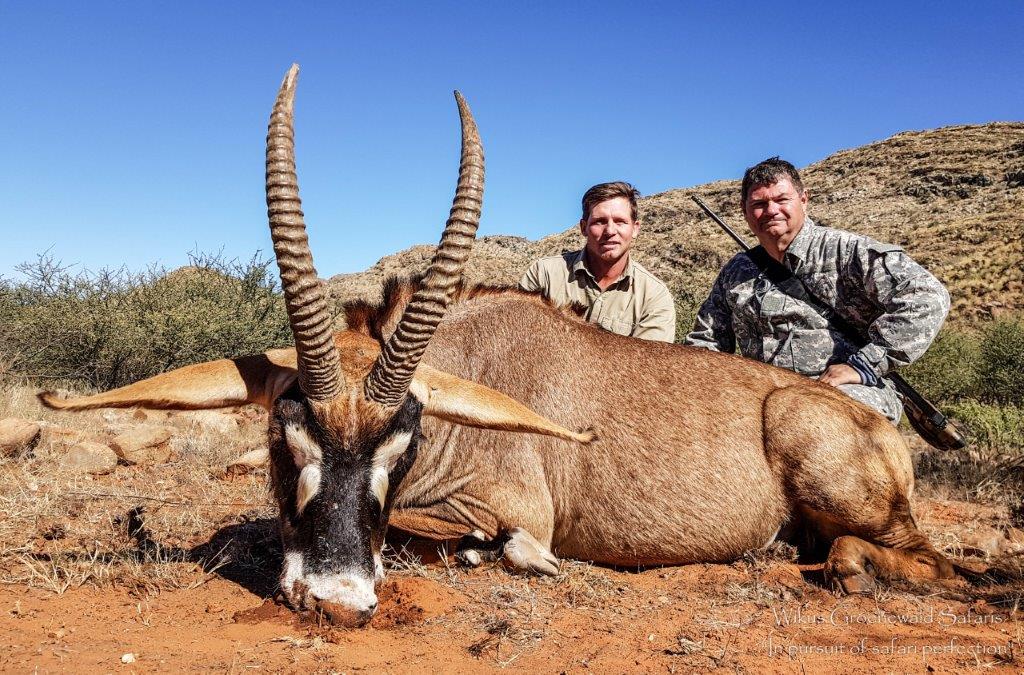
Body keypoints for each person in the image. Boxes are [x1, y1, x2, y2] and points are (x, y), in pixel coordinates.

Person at [685, 157, 949, 423]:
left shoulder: (846, 251)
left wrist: (865, 364)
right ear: (744, 211)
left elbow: (927, 297)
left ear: (804, 200)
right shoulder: (736, 272)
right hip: (762, 400)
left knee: (811, 419)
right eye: (759, 204)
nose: (771, 210)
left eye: (781, 199)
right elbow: (706, 342)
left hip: (844, 394)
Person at [519, 181, 676, 342]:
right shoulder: (544, 274)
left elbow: (648, 357)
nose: (610, 231)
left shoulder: (654, 296)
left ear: (635, 228)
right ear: (583, 228)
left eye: (620, 221)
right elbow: (518, 339)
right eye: (599, 221)